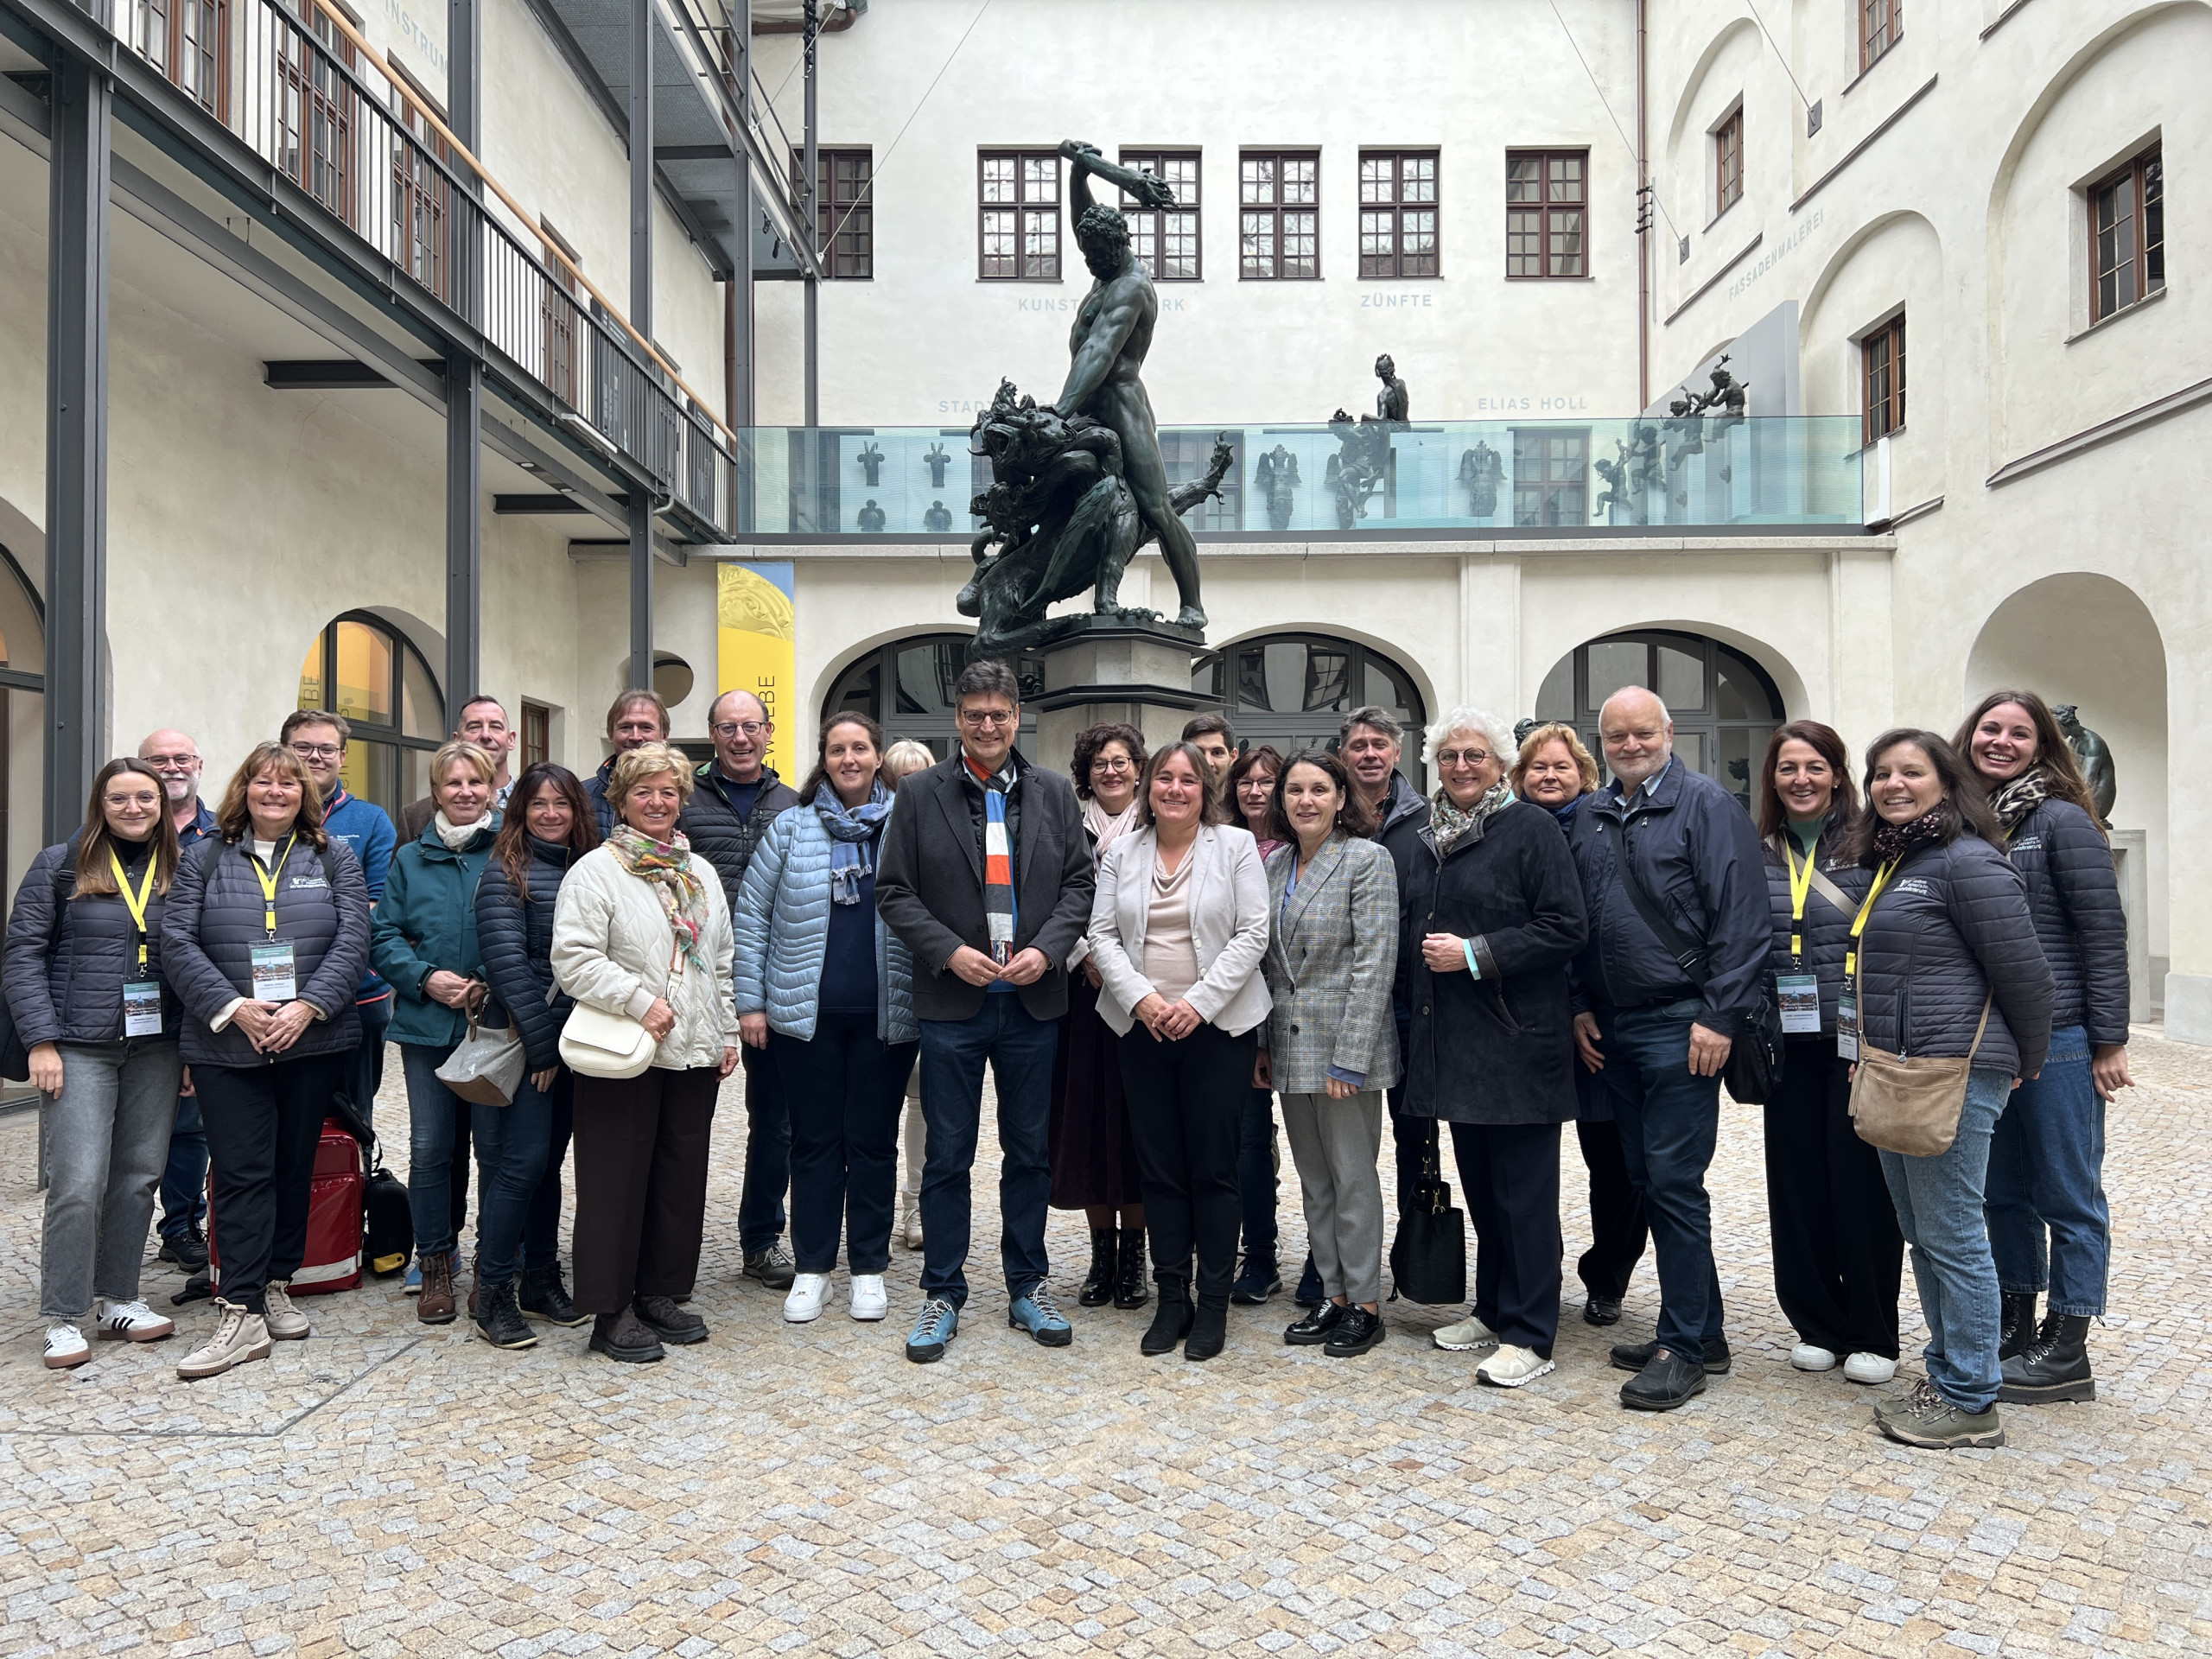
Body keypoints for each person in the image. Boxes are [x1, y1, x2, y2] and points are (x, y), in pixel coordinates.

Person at [876, 658, 1096, 1364]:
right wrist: (947, 951)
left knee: (1029, 1153)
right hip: (954, 1005)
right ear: (958, 717)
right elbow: (895, 892)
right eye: (975, 713)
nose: (989, 724)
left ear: (1017, 715)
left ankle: (1027, 1284)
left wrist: (1051, 950)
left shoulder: (1055, 793)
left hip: (1033, 1004)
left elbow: (1079, 884)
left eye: (1000, 712)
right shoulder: (919, 794)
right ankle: (943, 1290)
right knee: (948, 1155)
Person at [1846, 729, 2053, 1449]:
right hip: (1900, 1068)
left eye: (1911, 772)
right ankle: (1949, 1371)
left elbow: (2025, 973)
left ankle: (1972, 1396)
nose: (1893, 784)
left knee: (1955, 1235)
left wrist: (2025, 1058)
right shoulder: (1900, 862)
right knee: (1922, 1235)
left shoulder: (1968, 861)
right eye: (1880, 774)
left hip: (1953, 1070)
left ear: (1946, 782)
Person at [1565, 688, 1767, 1413]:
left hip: (1682, 1024)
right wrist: (1581, 1004)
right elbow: (1577, 924)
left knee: (1676, 1183)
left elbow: (1743, 919)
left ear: (1668, 733)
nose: (1630, 744)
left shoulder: (1708, 806)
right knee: (1648, 1179)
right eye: (1616, 735)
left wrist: (1721, 1016)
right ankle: (1702, 1330)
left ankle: (1681, 1348)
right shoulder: (1589, 814)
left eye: (1642, 733)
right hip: (1614, 1025)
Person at [161, 742, 372, 1378]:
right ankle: (242, 1309)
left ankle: (276, 1281)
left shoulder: (335, 856)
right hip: (229, 1041)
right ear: (243, 789)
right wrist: (232, 1007)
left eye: (288, 783)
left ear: (304, 794)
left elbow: (353, 938)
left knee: (291, 1166)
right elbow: (176, 940)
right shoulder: (202, 857)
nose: (275, 792)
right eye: (263, 781)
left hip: (311, 1039)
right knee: (241, 1171)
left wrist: (308, 1007)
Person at [1400, 709, 1588, 1389]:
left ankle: (1531, 1332)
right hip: (1455, 1045)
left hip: (1516, 1044)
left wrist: (1477, 953)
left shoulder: (1529, 829)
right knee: (1483, 1191)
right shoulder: (1429, 838)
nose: (1460, 767)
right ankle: (1491, 1307)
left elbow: (1567, 927)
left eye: (1474, 755)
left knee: (1525, 1198)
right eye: (1448, 756)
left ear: (1500, 763)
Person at [1955, 690, 2131, 1405]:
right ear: (1969, 738)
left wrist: (2110, 1038)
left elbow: (2102, 932)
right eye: (1990, 729)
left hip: (2060, 1038)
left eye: (2018, 732)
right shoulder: (1966, 823)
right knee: (2002, 1193)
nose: (2001, 741)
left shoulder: (2060, 820)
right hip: (1991, 1039)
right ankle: (2013, 1322)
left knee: (2068, 1192)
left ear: (2042, 746)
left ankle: (2068, 1346)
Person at [552, 742, 740, 1363]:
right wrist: (638, 1001)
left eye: (668, 792)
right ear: (620, 801)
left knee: (679, 1178)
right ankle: (610, 1311)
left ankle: (661, 1292)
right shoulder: (596, 872)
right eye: (644, 792)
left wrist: (727, 1031)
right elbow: (574, 958)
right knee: (614, 1181)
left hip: (693, 1051)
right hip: (626, 1050)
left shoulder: (700, 872)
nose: (657, 802)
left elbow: (720, 960)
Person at [1086, 742, 1270, 1361]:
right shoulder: (1122, 852)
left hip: (1218, 1031)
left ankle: (1213, 1302)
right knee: (1160, 1169)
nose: (1174, 788)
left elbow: (1253, 934)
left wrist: (1197, 1003)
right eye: (1164, 777)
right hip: (1142, 1030)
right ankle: (1172, 1299)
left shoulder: (1236, 847)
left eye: (1188, 779)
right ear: (1148, 785)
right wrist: (1141, 1000)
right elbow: (1101, 935)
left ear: (1205, 787)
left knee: (1213, 1169)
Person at [734, 712, 918, 1325]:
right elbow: (753, 916)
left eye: (859, 748)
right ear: (824, 758)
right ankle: (813, 1268)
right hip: (801, 1016)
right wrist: (751, 1002)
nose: (849, 759)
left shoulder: (904, 825)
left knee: (870, 1142)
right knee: (812, 1143)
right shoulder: (791, 828)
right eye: (837, 749)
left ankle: (867, 1267)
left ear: (877, 756)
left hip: (884, 1016)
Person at [10, 760, 187, 1367]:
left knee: (138, 1175)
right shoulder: (60, 864)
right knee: (78, 1182)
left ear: (162, 805)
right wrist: (40, 1040)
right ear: (100, 804)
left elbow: (191, 961)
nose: (133, 808)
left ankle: (119, 1297)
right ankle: (62, 1314)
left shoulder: (180, 870)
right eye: (119, 798)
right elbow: (23, 954)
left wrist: (188, 1046)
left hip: (156, 1046)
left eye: (145, 798)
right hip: (76, 1046)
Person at [1755, 721, 1901, 1385]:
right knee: (1795, 1183)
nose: (1801, 780)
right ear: (1773, 779)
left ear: (1838, 775)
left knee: (1862, 1185)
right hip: (1786, 1039)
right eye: (1788, 768)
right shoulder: (1756, 847)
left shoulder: (1873, 844)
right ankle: (1816, 1320)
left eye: (1814, 767)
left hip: (1854, 1039)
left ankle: (1873, 1328)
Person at [1258, 749, 1400, 1358]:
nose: (1306, 801)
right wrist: (1263, 1045)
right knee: (1315, 1181)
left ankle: (1365, 1303)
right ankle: (1334, 1294)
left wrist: (1353, 1057)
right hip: (1289, 1045)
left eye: (1319, 789)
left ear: (1342, 798)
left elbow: (1375, 963)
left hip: (1345, 1052)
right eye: (1295, 790)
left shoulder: (1367, 860)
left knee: (1353, 1178)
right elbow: (1266, 964)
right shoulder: (1276, 863)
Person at [1512, 723, 1649, 1325]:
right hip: (1528, 1021)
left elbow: (1598, 927)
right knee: (1525, 1163)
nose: (1549, 776)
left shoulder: (1603, 831)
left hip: (1598, 1021)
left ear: (1584, 775)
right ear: (1520, 777)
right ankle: (1530, 1274)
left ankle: (1607, 1276)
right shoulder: (1507, 831)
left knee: (1614, 1163)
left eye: (1560, 767)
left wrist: (1581, 1006)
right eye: (1537, 768)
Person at [472, 762, 601, 1349]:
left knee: (548, 1165)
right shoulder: (506, 871)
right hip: (529, 1042)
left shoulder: (588, 868)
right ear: (519, 810)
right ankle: (493, 1291)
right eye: (539, 803)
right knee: (519, 1166)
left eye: (563, 804)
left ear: (579, 811)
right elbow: (507, 966)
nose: (552, 813)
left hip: (578, 1043)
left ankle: (542, 1280)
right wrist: (543, 1045)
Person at [371, 741, 500, 1325]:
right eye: (453, 784)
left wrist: (490, 980)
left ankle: (495, 1263)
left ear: (494, 787)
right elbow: (384, 936)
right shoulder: (410, 859)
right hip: (429, 1026)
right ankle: (438, 1260)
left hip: (496, 1026)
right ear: (435, 792)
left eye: (476, 782)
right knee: (431, 1149)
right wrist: (426, 978)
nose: (466, 792)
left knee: (495, 1149)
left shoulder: (510, 850)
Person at [678, 688, 804, 1293]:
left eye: (750, 726)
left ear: (768, 730)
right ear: (712, 733)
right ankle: (668, 1243)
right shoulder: (682, 799)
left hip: (770, 978)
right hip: (692, 977)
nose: (740, 738)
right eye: (727, 728)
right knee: (680, 1116)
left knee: (774, 1120)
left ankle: (761, 1239)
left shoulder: (794, 802)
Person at [1051, 722, 1150, 1313]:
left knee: (1133, 1123)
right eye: (1099, 763)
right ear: (1085, 774)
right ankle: (1101, 1254)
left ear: (1139, 768)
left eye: (1121, 761)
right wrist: (1085, 954)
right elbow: (1050, 896)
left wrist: (1118, 966)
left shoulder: (1156, 822)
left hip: (1139, 993)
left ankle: (1135, 1256)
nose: (1110, 771)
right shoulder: (1066, 825)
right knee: (1086, 1120)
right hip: (1080, 996)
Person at [1342, 704, 1432, 1306]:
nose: (1370, 754)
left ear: (1398, 753)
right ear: (1343, 754)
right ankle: (1350, 1258)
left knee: (1414, 1134)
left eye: (1380, 744)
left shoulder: (1426, 818)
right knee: (1346, 1140)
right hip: (1346, 1001)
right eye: (1359, 745)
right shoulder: (1329, 811)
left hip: (1411, 1001)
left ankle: (1413, 1253)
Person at [282, 712, 397, 1139]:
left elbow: (375, 906)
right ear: (285, 750)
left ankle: (349, 1205)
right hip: (273, 1002)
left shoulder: (370, 821)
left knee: (350, 1120)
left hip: (358, 998)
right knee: (278, 1123)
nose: (315, 757)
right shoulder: (265, 814)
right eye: (303, 747)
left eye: (326, 749)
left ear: (342, 756)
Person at [139, 728, 218, 1272]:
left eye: (180, 758)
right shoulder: (113, 831)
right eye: (158, 760)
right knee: (128, 1125)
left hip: (196, 995)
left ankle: (182, 1224)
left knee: (191, 1124)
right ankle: (110, 1231)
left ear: (199, 764)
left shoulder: (222, 836)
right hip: (125, 997)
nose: (171, 767)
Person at [1224, 744, 1287, 1306]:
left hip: (1299, 1018)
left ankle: (1326, 1263)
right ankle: (1260, 1257)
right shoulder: (1220, 843)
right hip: (1241, 1018)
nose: (1255, 790)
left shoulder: (1299, 848)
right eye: (1245, 780)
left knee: (1323, 1151)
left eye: (1267, 781)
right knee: (1248, 1145)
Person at [881, 738, 937, 1250]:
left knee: (923, 1108)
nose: (906, 793)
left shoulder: (938, 826)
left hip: (934, 985)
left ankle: (916, 1206)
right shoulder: (874, 832)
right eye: (898, 783)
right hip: (882, 990)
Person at [399, 696, 519, 840]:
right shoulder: (416, 816)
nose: (486, 735)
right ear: (457, 740)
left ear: (511, 740)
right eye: (474, 727)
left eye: (495, 727)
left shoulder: (534, 807)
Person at [584, 690, 671, 837]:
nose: (635, 736)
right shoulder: (582, 796)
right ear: (611, 734)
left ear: (664, 735)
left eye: (646, 727)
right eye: (625, 727)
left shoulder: (686, 796)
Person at [1179, 714, 1236, 806]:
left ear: (1233, 757)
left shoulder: (1245, 814)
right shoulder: (1170, 809)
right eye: (1198, 753)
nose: (1208, 762)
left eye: (1217, 753)